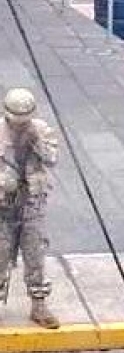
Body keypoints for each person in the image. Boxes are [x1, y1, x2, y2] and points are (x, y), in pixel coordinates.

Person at [0, 88, 60, 329]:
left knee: (35, 254)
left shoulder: (41, 130)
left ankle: (39, 304)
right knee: (0, 254)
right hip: (3, 204)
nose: (20, 126)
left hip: (32, 203)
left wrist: (36, 140)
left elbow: (52, 158)